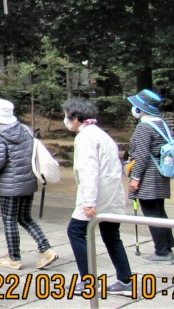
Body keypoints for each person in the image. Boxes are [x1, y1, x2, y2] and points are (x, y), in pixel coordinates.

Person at [63, 97, 134, 296]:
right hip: (111, 194)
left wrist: (88, 201)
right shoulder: (102, 135)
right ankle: (125, 280)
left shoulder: (85, 137)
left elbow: (89, 170)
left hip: (97, 194)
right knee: (112, 236)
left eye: (67, 116)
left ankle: (87, 281)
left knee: (75, 231)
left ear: (75, 117)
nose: (65, 120)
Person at [0, 98, 58, 270]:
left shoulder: (0, 136)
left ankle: (14, 258)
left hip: (10, 185)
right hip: (28, 182)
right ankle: (46, 249)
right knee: (25, 218)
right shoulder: (26, 129)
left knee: (9, 220)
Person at [126, 89, 174, 262]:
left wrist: (135, 178)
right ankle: (167, 247)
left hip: (148, 175)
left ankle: (162, 252)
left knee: (152, 213)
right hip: (161, 172)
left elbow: (141, 155)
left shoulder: (144, 127)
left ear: (140, 109)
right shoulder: (162, 124)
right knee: (160, 211)